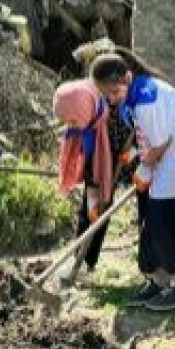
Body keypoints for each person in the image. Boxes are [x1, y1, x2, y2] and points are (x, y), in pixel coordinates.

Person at [90, 49, 175, 313]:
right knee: (149, 227)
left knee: (159, 227)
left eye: (114, 92)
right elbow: (149, 136)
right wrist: (135, 155)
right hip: (167, 167)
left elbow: (161, 143)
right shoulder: (137, 94)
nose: (111, 99)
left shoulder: (146, 97)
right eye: (106, 95)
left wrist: (143, 173)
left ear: (127, 77)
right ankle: (158, 281)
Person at [52, 77, 115, 280]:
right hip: (95, 171)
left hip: (111, 170)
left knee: (98, 212)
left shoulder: (110, 118)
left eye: (72, 119)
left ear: (82, 109)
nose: (70, 126)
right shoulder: (86, 119)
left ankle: (85, 262)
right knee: (88, 211)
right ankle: (79, 261)